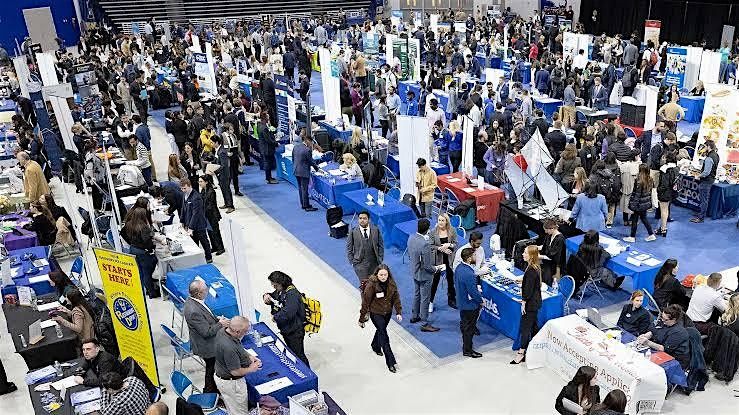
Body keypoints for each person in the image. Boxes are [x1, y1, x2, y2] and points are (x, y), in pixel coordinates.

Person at [184, 279, 230, 393]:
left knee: (211, 369)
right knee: (211, 369)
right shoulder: (193, 311)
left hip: (206, 342)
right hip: (207, 347)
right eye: (205, 289)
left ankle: (211, 390)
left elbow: (206, 316)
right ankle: (210, 392)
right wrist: (221, 324)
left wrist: (216, 319)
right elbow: (206, 332)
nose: (208, 291)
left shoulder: (195, 301)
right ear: (199, 293)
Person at [358, 264, 402, 373]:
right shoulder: (371, 285)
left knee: (380, 331)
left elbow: (396, 298)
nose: (383, 277)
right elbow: (365, 303)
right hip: (376, 313)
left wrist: (398, 312)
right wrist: (361, 318)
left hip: (387, 313)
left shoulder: (392, 283)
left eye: (385, 274)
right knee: (384, 335)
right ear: (377, 274)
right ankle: (390, 361)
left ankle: (375, 346)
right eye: (381, 274)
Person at [214, 316, 262, 415]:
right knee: (240, 411)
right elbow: (235, 372)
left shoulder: (223, 331)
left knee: (232, 407)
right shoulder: (229, 348)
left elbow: (238, 346)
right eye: (245, 331)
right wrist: (251, 369)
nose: (246, 333)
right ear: (237, 332)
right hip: (232, 384)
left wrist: (248, 356)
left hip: (222, 377)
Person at [263, 271, 310, 366]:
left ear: (281, 283)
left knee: (298, 355)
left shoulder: (292, 294)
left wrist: (275, 317)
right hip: (286, 329)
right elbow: (274, 297)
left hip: (294, 331)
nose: (274, 288)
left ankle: (307, 373)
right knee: (292, 352)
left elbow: (288, 313)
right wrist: (266, 296)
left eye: (275, 285)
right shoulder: (281, 290)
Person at [407, 218, 443, 332]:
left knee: (417, 294)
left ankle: (415, 316)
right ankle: (424, 323)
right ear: (428, 229)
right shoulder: (425, 244)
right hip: (424, 275)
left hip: (414, 271)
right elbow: (428, 266)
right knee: (425, 298)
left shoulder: (411, 237)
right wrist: (437, 268)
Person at [121, 207, 164, 298]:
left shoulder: (130, 224)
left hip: (133, 250)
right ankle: (152, 293)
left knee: (143, 272)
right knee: (147, 273)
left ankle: (148, 289)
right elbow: (147, 241)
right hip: (143, 253)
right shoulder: (143, 227)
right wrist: (153, 247)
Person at [511, 245, 543, 365]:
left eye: (525, 253)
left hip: (531, 304)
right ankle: (534, 349)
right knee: (533, 326)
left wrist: (524, 302)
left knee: (526, 328)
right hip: (535, 302)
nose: (523, 254)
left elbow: (528, 291)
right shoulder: (534, 267)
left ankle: (521, 352)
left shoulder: (530, 270)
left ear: (531, 256)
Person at [637, 305, 690, 370]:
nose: (662, 320)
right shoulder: (664, 321)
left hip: (674, 361)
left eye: (665, 320)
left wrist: (648, 342)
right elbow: (654, 330)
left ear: (674, 320)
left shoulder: (678, 332)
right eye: (662, 317)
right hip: (658, 352)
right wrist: (646, 335)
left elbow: (664, 349)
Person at [455, 247, 483, 358]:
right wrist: (480, 300)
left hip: (462, 302)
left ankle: (466, 348)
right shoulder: (469, 274)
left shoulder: (459, 268)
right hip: (470, 305)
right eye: (475, 256)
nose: (476, 257)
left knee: (465, 326)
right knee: (469, 329)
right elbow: (473, 292)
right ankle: (468, 350)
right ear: (469, 258)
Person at [429, 214, 458, 312]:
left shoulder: (452, 230)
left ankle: (451, 299)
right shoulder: (433, 232)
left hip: (449, 259)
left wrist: (449, 244)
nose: (440, 222)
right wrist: (441, 249)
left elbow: (456, 244)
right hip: (438, 260)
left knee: (450, 280)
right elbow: (430, 246)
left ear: (447, 222)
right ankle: (430, 301)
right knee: (435, 281)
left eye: (442, 220)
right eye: (439, 220)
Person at [346, 211, 384, 286]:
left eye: (364, 218)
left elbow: (381, 245)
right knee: (364, 286)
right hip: (360, 264)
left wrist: (380, 258)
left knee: (375, 284)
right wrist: (353, 262)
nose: (362, 220)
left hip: (374, 263)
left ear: (368, 219)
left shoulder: (375, 230)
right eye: (360, 218)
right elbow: (349, 248)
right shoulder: (353, 231)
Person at [180, 178, 213, 263]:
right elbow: (183, 209)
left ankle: (209, 257)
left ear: (190, 186)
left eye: (185, 188)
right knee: (194, 243)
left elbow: (196, 214)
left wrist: (191, 228)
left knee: (204, 242)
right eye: (182, 188)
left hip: (198, 224)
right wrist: (182, 221)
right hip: (189, 223)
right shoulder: (184, 195)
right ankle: (197, 258)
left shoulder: (196, 197)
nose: (183, 190)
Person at [624, 164, 656, 242]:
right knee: (643, 218)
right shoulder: (650, 179)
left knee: (635, 219)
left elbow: (637, 195)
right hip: (645, 204)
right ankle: (651, 234)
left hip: (638, 205)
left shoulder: (638, 181)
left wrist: (633, 206)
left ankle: (632, 237)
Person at [691, 139, 719, 223]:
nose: (704, 148)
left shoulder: (709, 158)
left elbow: (706, 172)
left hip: (706, 181)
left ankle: (701, 217)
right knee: (704, 199)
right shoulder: (716, 155)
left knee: (704, 200)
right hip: (710, 180)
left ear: (708, 146)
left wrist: (698, 175)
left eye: (705, 146)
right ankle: (701, 214)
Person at [199, 175, 225, 255]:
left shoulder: (211, 192)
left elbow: (211, 205)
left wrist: (203, 210)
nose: (199, 183)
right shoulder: (203, 190)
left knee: (215, 231)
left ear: (206, 182)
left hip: (212, 214)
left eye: (201, 181)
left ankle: (220, 248)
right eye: (199, 181)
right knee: (209, 231)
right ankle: (214, 246)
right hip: (206, 215)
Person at [656, 152, 678, 237]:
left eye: (664, 157)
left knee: (664, 211)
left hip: (665, 193)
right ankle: (662, 227)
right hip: (672, 192)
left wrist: (657, 190)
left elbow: (664, 184)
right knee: (666, 210)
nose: (663, 159)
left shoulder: (665, 169)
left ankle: (663, 229)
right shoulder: (676, 168)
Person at [212, 135, 235, 213]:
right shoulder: (218, 150)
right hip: (220, 174)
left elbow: (224, 165)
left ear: (216, 142)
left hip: (224, 174)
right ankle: (226, 203)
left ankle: (231, 206)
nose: (211, 144)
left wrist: (215, 171)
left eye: (212, 142)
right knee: (223, 189)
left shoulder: (222, 152)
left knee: (226, 190)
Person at [540, 219, 565, 285]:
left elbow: (554, 256)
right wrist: (537, 247)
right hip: (548, 261)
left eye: (546, 230)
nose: (545, 232)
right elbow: (546, 247)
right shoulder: (549, 235)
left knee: (546, 278)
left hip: (555, 264)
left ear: (552, 229)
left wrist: (539, 256)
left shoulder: (560, 239)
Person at [257, 112, 280, 184]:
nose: (269, 118)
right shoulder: (264, 128)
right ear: (265, 118)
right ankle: (269, 178)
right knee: (268, 163)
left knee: (268, 163)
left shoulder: (260, 125)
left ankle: (269, 177)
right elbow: (268, 140)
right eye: (268, 117)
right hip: (266, 149)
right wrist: (276, 143)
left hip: (264, 147)